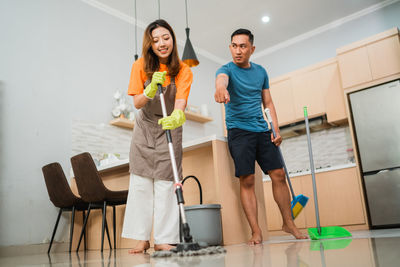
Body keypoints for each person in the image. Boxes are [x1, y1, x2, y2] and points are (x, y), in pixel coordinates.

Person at [214, 29, 307, 245]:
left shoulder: (261, 72)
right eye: (234, 46)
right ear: (230, 47)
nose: (238, 51)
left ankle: (288, 223)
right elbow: (221, 81)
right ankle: (256, 231)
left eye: (243, 46)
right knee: (247, 180)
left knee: (279, 174)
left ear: (252, 49)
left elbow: (268, 102)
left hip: (262, 130)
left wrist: (275, 127)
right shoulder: (225, 69)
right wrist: (220, 89)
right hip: (238, 131)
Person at [122, 19, 193, 253]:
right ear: (150, 44)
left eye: (166, 38)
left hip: (169, 127)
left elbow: (180, 102)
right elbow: (137, 102)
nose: (162, 43)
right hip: (144, 129)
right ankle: (141, 238)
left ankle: (164, 238)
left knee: (166, 184)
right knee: (141, 184)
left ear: (173, 38)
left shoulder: (184, 70)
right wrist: (150, 89)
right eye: (155, 40)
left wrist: (178, 116)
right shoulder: (140, 65)